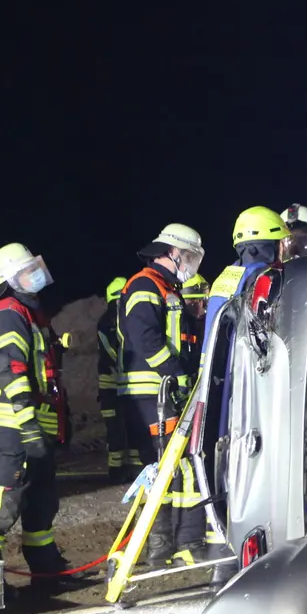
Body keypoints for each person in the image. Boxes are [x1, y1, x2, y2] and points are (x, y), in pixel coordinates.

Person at [0, 243, 74, 581]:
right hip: (15, 425)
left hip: (35, 422)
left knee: (41, 501)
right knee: (5, 501)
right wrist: (27, 422)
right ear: (9, 278)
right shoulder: (7, 312)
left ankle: (46, 568)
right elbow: (10, 369)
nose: (36, 275)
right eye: (27, 270)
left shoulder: (30, 312)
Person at [116, 224, 211, 566]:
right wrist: (177, 370)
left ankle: (184, 541)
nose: (189, 264)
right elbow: (145, 339)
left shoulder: (166, 287)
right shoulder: (144, 285)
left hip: (165, 391)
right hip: (150, 396)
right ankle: (160, 545)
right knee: (161, 468)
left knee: (181, 466)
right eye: (187, 256)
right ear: (171, 252)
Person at [97, 274, 143, 483]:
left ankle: (127, 470)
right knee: (120, 427)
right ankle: (120, 471)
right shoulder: (111, 321)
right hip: (115, 383)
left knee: (126, 426)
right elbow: (114, 351)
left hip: (118, 383)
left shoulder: (112, 320)